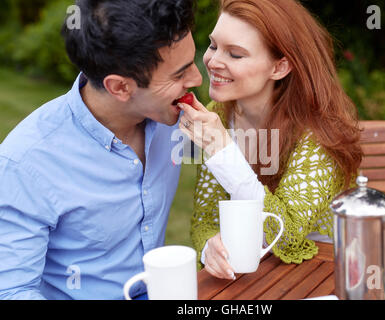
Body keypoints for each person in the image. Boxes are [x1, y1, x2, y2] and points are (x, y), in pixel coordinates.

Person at [0, 0, 202, 299]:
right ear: (120, 88)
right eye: (179, 74)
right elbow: (12, 290)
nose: (197, 80)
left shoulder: (175, 120)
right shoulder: (25, 163)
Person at [177, 0, 362, 279]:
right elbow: (206, 221)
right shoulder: (219, 117)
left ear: (280, 67)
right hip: (256, 279)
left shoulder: (318, 132)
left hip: (325, 276)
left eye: (235, 54)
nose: (213, 62)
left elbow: (285, 235)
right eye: (214, 45)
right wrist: (209, 250)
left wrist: (223, 151)